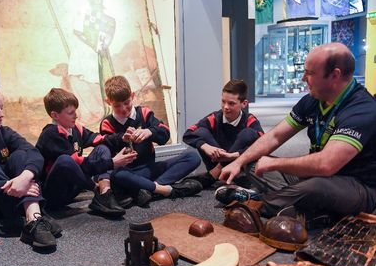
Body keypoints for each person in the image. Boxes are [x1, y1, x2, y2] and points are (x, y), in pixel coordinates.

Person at [218, 42, 376, 225]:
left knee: (314, 188)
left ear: (335, 75)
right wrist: (238, 162)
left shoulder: (362, 108)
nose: (303, 78)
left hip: (357, 186)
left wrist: (275, 163)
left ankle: (255, 203)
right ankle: (301, 207)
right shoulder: (313, 100)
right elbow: (275, 136)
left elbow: (327, 164)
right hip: (316, 176)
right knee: (253, 160)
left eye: (310, 73)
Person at [0, 86, 61, 249]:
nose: (1, 114)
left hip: (14, 202)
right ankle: (36, 217)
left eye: (1, 108)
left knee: (21, 156)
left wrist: (24, 179)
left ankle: (33, 217)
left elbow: (34, 153)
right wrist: (12, 187)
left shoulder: (5, 132)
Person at [100, 76, 202, 207]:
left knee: (193, 157)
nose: (124, 109)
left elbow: (164, 134)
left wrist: (149, 132)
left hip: (149, 168)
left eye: (126, 102)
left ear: (132, 96)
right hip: (128, 173)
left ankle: (149, 190)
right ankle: (166, 190)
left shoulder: (144, 112)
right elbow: (107, 151)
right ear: (108, 102)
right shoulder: (107, 123)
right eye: (117, 105)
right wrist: (123, 139)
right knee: (117, 176)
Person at [36, 88, 138, 217]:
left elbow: (99, 139)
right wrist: (113, 163)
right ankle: (98, 191)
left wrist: (122, 137)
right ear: (55, 115)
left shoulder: (75, 128)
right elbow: (82, 164)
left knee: (102, 148)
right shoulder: (51, 134)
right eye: (70, 113)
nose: (76, 116)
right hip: (54, 195)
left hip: (72, 189)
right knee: (65, 161)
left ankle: (105, 193)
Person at [183, 79, 264, 188]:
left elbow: (264, 145)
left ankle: (216, 174)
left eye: (231, 103)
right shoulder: (214, 117)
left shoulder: (250, 119)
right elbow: (188, 134)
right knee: (201, 131)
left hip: (237, 167)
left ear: (244, 104)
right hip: (215, 162)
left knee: (249, 134)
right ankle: (225, 175)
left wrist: (232, 156)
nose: (225, 107)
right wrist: (205, 146)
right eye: (223, 101)